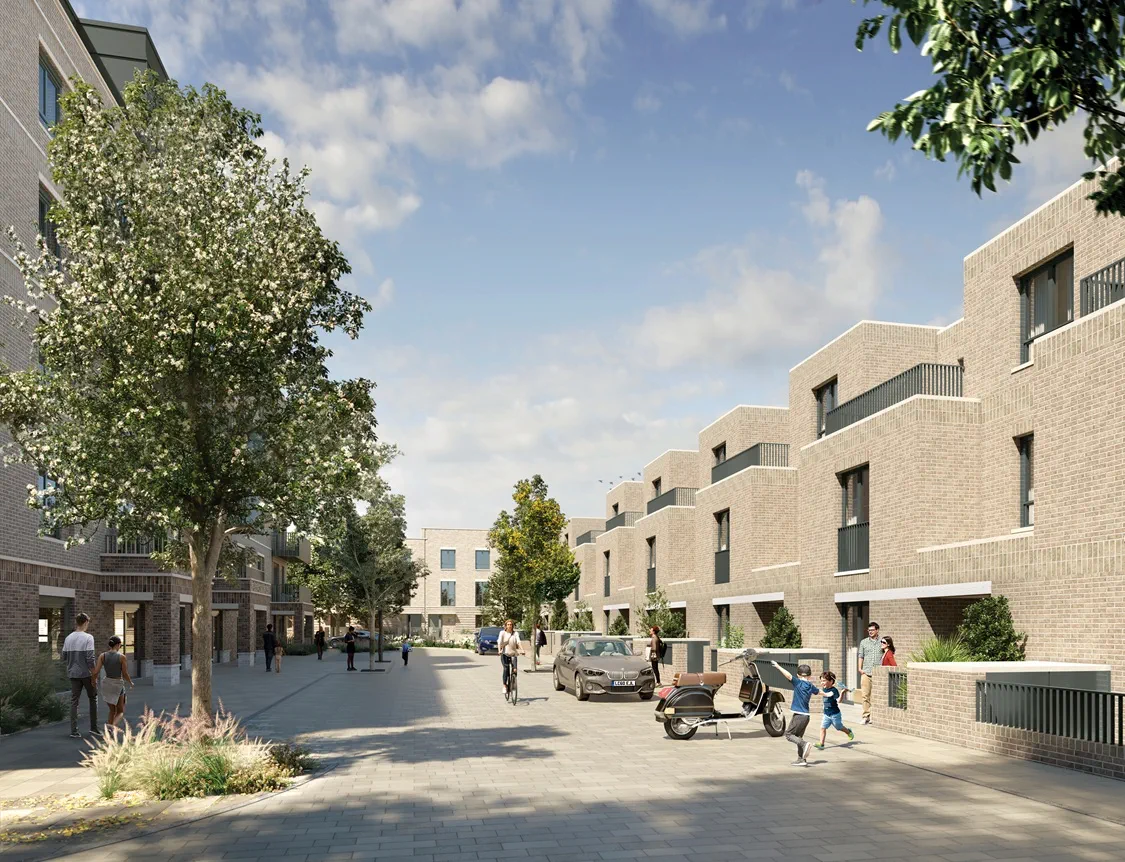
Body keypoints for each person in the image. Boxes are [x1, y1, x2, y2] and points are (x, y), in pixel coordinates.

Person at [771, 661, 820, 766]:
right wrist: (830, 694)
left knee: (789, 735)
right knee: (798, 736)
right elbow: (819, 692)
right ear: (810, 675)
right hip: (806, 716)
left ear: (798, 675)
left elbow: (788, 675)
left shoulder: (798, 682)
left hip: (799, 715)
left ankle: (804, 744)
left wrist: (778, 666)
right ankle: (801, 759)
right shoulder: (810, 686)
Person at [63, 612, 98, 739]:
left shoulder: (68, 638)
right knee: (93, 699)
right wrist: (94, 673)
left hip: (73, 673)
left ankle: (74, 731)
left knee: (74, 702)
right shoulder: (88, 638)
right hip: (87, 674)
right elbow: (90, 657)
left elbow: (64, 656)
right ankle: (93, 728)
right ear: (85, 622)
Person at [93, 635, 133, 731]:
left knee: (112, 710)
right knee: (120, 711)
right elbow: (124, 673)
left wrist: (93, 681)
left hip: (106, 683)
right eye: (121, 645)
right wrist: (130, 682)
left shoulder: (102, 656)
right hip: (117, 684)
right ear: (118, 644)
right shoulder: (122, 657)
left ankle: (109, 730)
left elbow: (96, 671)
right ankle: (111, 727)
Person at [813, 670, 854, 750]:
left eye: (824, 681)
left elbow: (839, 700)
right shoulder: (824, 689)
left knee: (839, 727)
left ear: (831, 681)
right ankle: (821, 744)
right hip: (826, 714)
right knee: (822, 728)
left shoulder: (834, 690)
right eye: (821, 681)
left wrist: (842, 693)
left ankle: (848, 732)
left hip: (835, 714)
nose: (822, 682)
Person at [856, 621, 882, 725]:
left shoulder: (882, 642)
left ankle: (874, 716)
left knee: (876, 696)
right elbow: (861, 656)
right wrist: (859, 668)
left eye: (872, 630)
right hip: (866, 672)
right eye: (869, 630)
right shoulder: (863, 642)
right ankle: (866, 716)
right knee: (865, 695)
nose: (870, 632)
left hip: (878, 674)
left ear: (877, 630)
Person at [497, 620, 524, 696]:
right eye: (508, 624)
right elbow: (499, 642)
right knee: (506, 668)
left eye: (511, 624)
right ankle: (505, 685)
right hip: (504, 654)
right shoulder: (502, 633)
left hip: (513, 654)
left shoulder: (515, 633)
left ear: (513, 626)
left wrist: (522, 649)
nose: (509, 626)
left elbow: (518, 642)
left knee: (514, 670)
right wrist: (499, 650)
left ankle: (513, 684)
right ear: (505, 626)